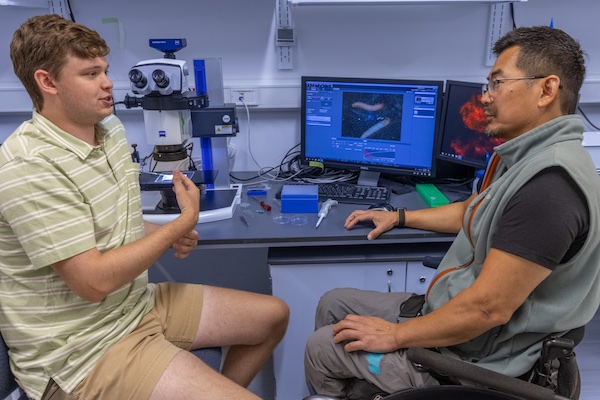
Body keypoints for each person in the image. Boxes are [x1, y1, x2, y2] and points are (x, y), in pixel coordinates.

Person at [0, 14, 289, 400]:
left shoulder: (109, 130)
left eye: (105, 70)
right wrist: (179, 222)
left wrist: (163, 235)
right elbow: (92, 282)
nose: (107, 83)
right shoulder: (30, 167)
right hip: (82, 352)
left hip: (134, 305)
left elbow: (115, 226)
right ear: (47, 82)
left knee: (272, 317)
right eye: (89, 74)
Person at [305, 25, 600, 399]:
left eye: (497, 83)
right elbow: (474, 210)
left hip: (480, 361)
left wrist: (394, 335)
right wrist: (398, 217)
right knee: (333, 302)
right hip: (462, 321)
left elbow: (486, 311)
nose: (486, 98)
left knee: (321, 348)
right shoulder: (525, 158)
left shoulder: (549, 187)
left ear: (546, 89)